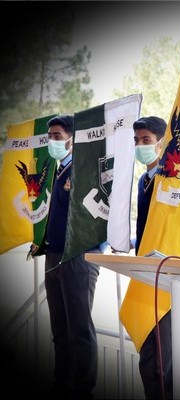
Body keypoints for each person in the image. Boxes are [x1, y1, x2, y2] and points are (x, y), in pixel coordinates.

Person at [30, 114, 101, 399]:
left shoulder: (82, 171)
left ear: (72, 139)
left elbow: (96, 214)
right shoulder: (57, 171)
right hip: (54, 256)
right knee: (60, 329)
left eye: (57, 136)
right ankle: (63, 385)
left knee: (79, 330)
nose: (52, 141)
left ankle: (83, 390)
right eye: (50, 137)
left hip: (78, 257)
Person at [132, 116, 173, 399]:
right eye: (136, 141)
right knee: (148, 357)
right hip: (144, 270)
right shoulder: (143, 180)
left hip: (163, 273)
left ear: (161, 143)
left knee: (160, 361)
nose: (140, 146)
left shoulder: (170, 180)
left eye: (146, 140)